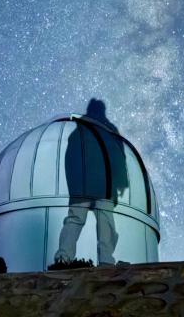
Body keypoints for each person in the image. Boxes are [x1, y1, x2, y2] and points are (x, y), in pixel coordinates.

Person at [54, 99, 128, 266]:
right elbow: (118, 158)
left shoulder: (78, 132)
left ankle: (63, 257)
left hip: (82, 187)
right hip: (104, 187)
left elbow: (70, 162)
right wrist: (121, 183)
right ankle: (106, 260)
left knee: (75, 220)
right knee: (106, 224)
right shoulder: (109, 131)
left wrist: (73, 186)